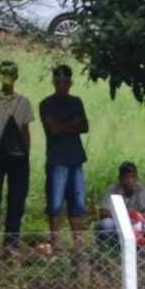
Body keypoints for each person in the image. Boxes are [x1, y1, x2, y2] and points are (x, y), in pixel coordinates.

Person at [0, 60, 35, 253]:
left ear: (16, 76)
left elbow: (26, 131)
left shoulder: (24, 102)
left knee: (16, 201)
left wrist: (26, 156)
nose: (7, 77)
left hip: (18, 159)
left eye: (10, 74)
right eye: (4, 73)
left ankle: (11, 243)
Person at [38, 65, 91, 247]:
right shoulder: (46, 104)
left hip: (75, 158)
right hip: (57, 159)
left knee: (77, 201)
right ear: (54, 82)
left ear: (70, 83)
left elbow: (85, 126)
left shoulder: (76, 102)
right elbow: (53, 129)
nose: (62, 86)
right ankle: (56, 241)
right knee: (55, 202)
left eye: (66, 82)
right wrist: (72, 123)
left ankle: (78, 241)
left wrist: (62, 126)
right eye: (59, 82)